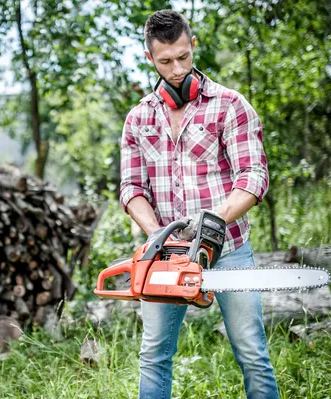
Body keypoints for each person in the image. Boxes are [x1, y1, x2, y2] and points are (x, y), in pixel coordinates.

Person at [119, 10, 280, 399]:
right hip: (165, 256)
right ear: (149, 59)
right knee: (154, 354)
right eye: (165, 61)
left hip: (228, 251)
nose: (176, 69)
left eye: (183, 57)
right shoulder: (139, 118)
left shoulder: (229, 105)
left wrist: (213, 221)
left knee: (251, 351)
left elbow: (254, 176)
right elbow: (131, 187)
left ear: (193, 45)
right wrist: (158, 233)